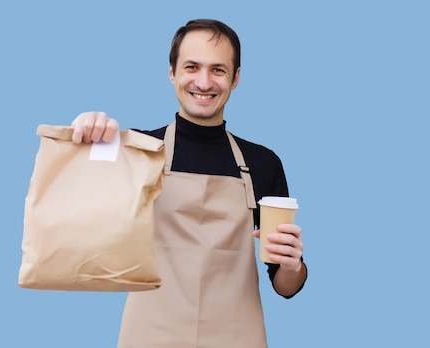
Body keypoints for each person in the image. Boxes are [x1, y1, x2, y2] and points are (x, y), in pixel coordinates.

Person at [70, 19, 308, 347]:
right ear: (172, 72)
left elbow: (285, 286)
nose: (204, 81)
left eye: (219, 70)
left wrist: (292, 265)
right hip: (150, 334)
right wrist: (86, 139)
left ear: (236, 78)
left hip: (236, 336)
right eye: (192, 67)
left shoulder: (264, 163)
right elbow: (82, 218)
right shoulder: (138, 150)